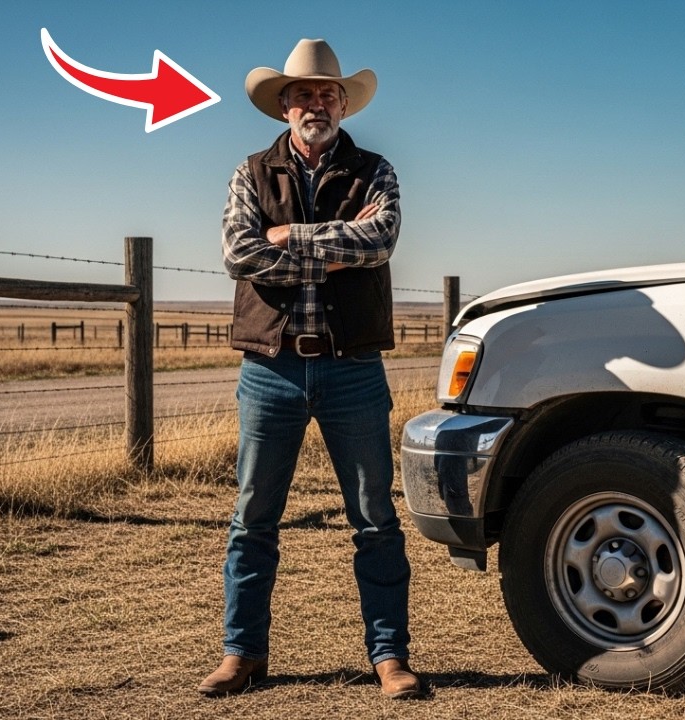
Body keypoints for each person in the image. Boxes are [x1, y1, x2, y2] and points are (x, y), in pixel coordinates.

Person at [201, 37, 423, 700]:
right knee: (252, 518)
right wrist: (332, 249)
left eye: (328, 93)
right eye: (304, 94)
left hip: (351, 367)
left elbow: (379, 240)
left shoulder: (375, 170)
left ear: (344, 104)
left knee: (375, 517)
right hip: (270, 368)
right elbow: (239, 254)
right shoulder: (250, 172)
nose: (316, 103)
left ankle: (389, 657)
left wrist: (289, 238)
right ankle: (242, 654)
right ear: (284, 106)